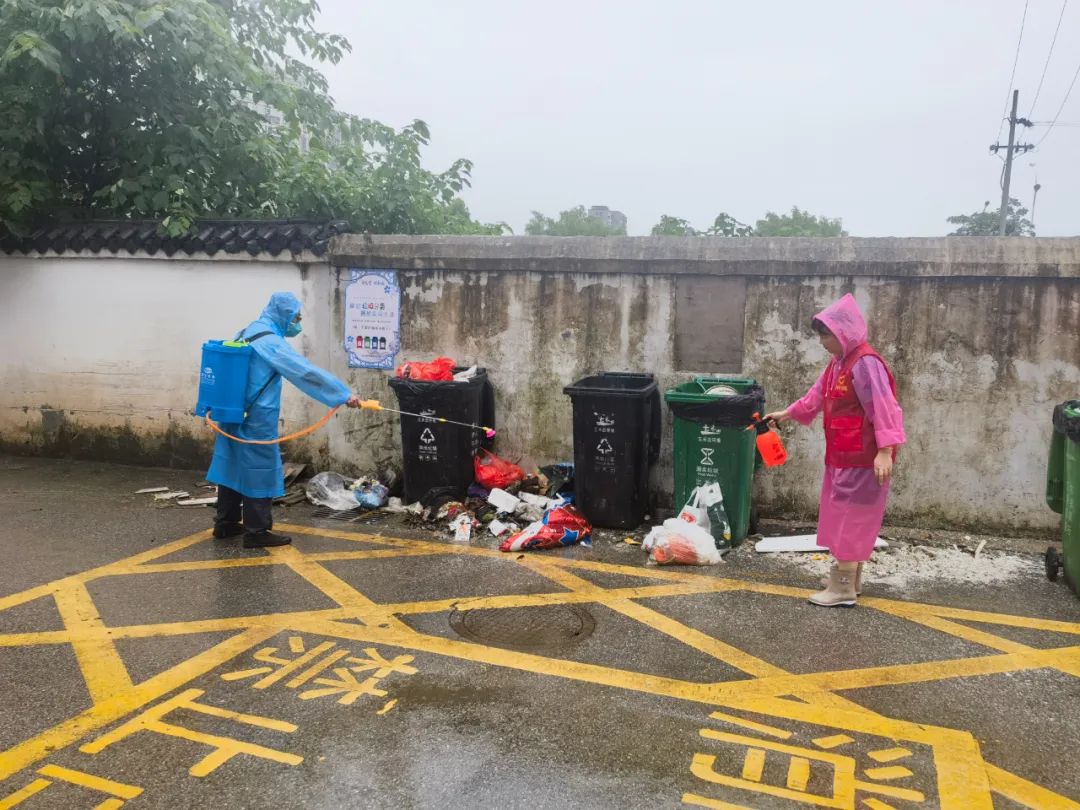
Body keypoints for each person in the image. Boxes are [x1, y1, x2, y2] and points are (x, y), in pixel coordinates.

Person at [764, 294, 905, 607]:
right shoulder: (839, 363)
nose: (823, 342)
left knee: (852, 519)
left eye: (826, 335)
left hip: (863, 457)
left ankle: (841, 588)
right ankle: (850, 580)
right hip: (843, 455)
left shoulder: (865, 363)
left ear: (844, 332)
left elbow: (884, 407)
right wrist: (786, 414)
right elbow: (815, 397)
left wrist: (885, 450)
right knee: (844, 514)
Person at [207, 291, 360, 548]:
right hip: (256, 419)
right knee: (260, 470)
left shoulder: (248, 330)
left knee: (231, 464)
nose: (297, 323)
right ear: (283, 315)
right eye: (296, 318)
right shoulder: (271, 343)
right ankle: (257, 532)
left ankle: (226, 523)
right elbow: (305, 372)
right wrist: (343, 394)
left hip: (232, 412)